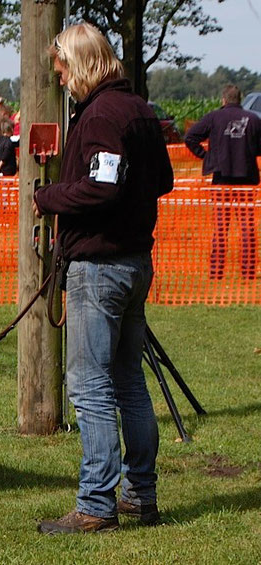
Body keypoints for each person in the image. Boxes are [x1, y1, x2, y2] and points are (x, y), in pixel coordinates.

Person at [33, 23, 173, 535]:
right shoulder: (138, 109)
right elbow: (164, 180)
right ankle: (141, 496)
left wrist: (47, 199)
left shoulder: (99, 117)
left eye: (64, 69)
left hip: (100, 268)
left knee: (89, 387)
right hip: (136, 262)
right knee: (129, 385)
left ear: (81, 62)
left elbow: (100, 190)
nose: (63, 80)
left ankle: (96, 504)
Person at [185, 85, 261, 280]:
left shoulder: (214, 117)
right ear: (240, 99)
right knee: (247, 228)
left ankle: (216, 272)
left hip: (221, 179)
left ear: (223, 100)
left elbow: (190, 136)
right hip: (247, 179)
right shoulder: (253, 119)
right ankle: (248, 272)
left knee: (220, 228)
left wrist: (206, 156)